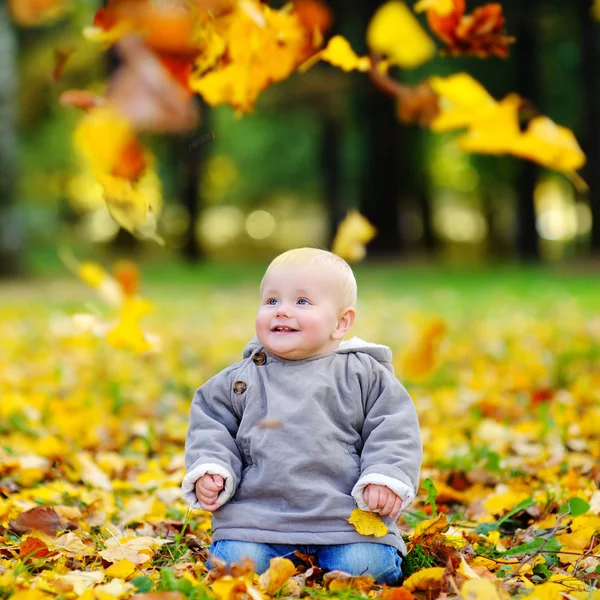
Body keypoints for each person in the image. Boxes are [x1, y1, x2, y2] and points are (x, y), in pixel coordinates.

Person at [181, 248, 422, 585]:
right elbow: (212, 422)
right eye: (271, 301)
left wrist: (385, 476)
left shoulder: (363, 374)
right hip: (259, 518)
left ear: (341, 322)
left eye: (302, 302)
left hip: (344, 519)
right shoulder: (243, 378)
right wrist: (213, 466)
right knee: (233, 566)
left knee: (368, 568)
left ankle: (351, 559)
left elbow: (394, 427)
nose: (282, 312)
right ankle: (264, 556)